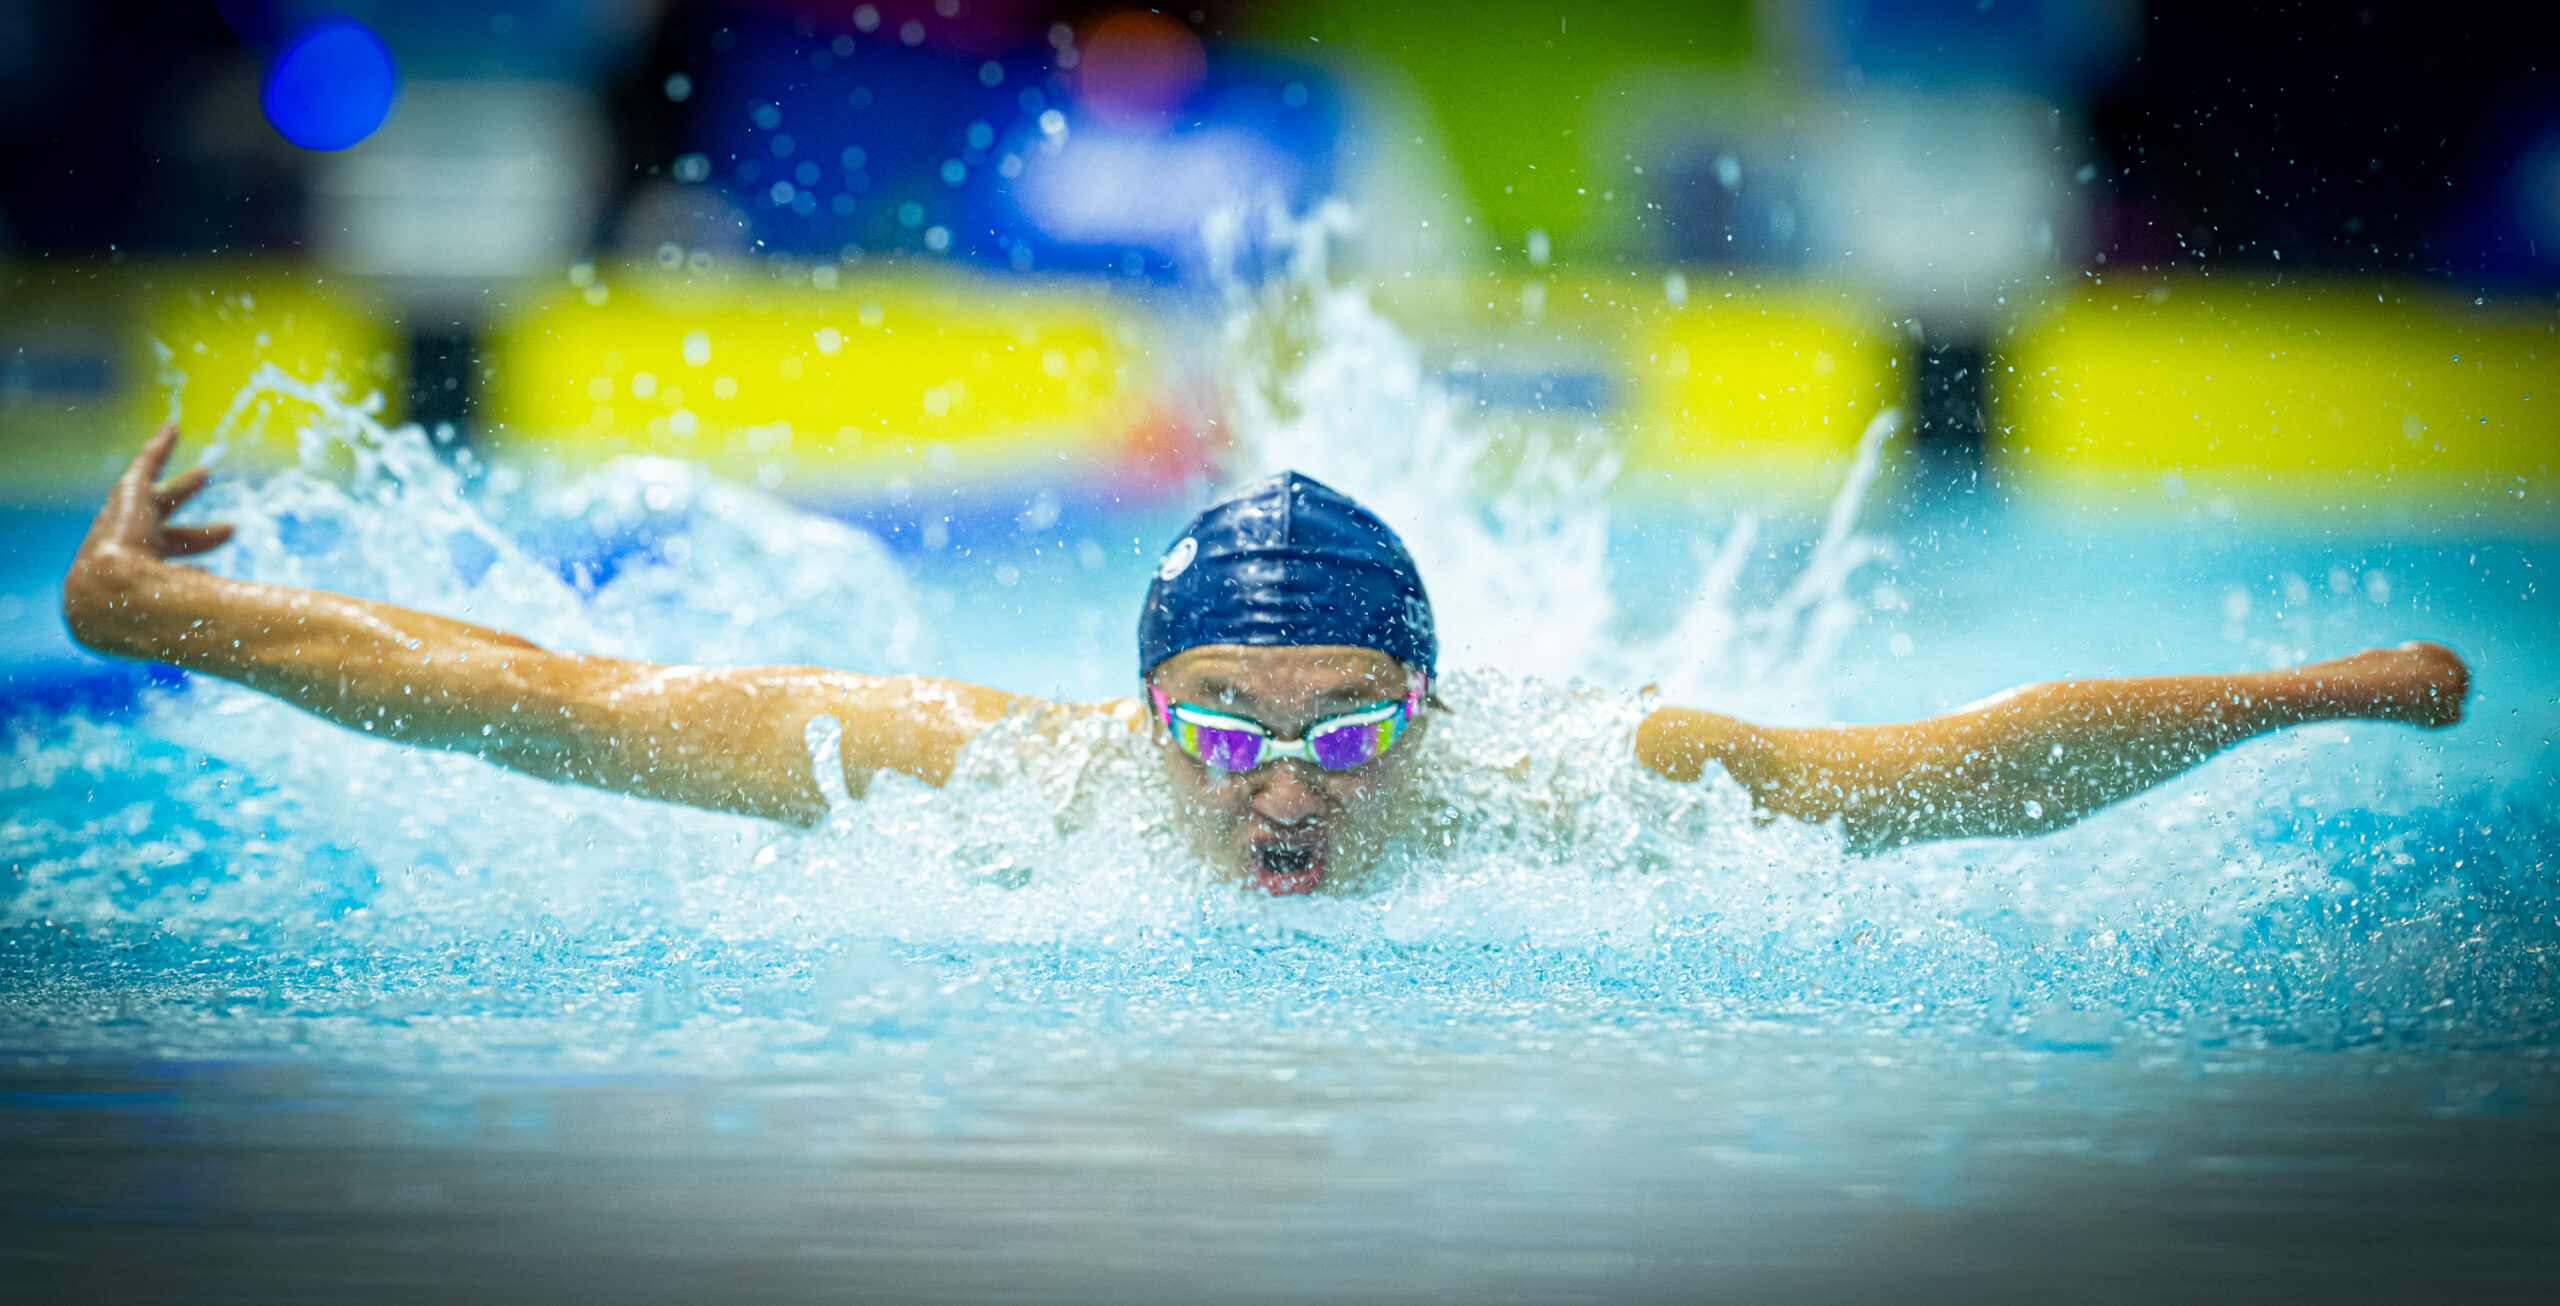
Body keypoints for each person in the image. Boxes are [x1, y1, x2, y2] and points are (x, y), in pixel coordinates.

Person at [63, 424, 2471, 896]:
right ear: (1145, 718)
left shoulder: (1561, 783)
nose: (1281, 787)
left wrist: (2306, 693)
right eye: (1221, 727)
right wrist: (146, 613)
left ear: (1435, 706)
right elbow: (550, 704)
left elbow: (1954, 763)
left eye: (1346, 729)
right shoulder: (991, 782)